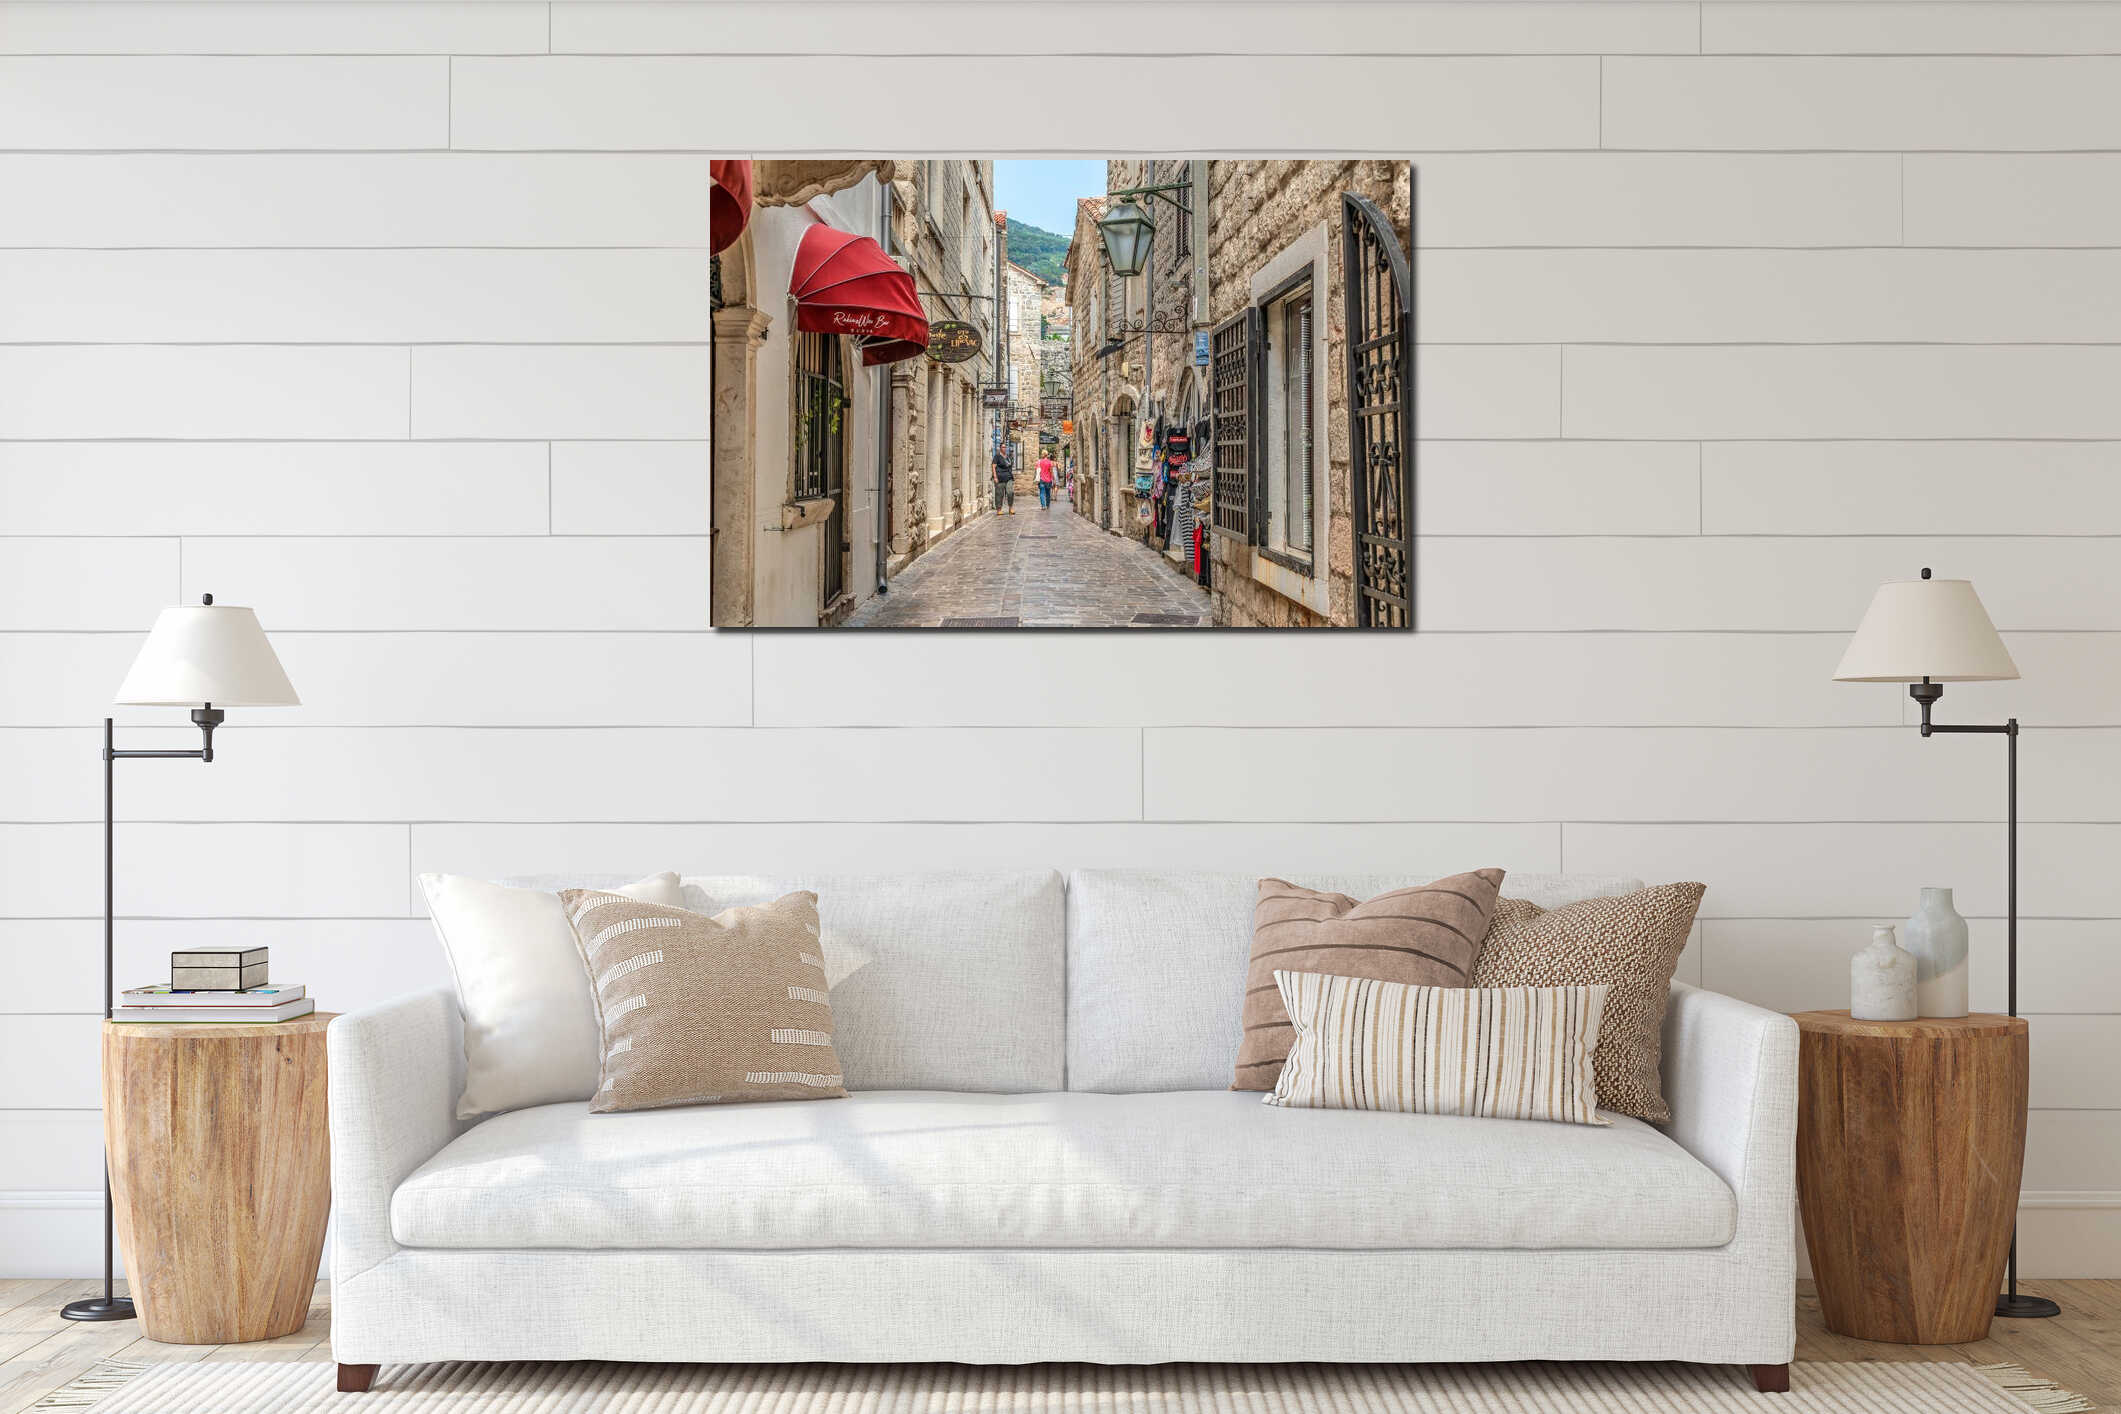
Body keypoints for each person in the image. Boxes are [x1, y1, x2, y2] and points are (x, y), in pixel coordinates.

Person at [990, 444, 1015, 516]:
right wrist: (995, 477)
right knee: (999, 494)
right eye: (1003, 447)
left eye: (1005, 447)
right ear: (1000, 448)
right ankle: (999, 509)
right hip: (1000, 478)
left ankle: (1010, 508)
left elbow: (1010, 466)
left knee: (1010, 492)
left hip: (1009, 477)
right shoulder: (997, 456)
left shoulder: (1008, 457)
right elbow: (993, 466)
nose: (1004, 448)